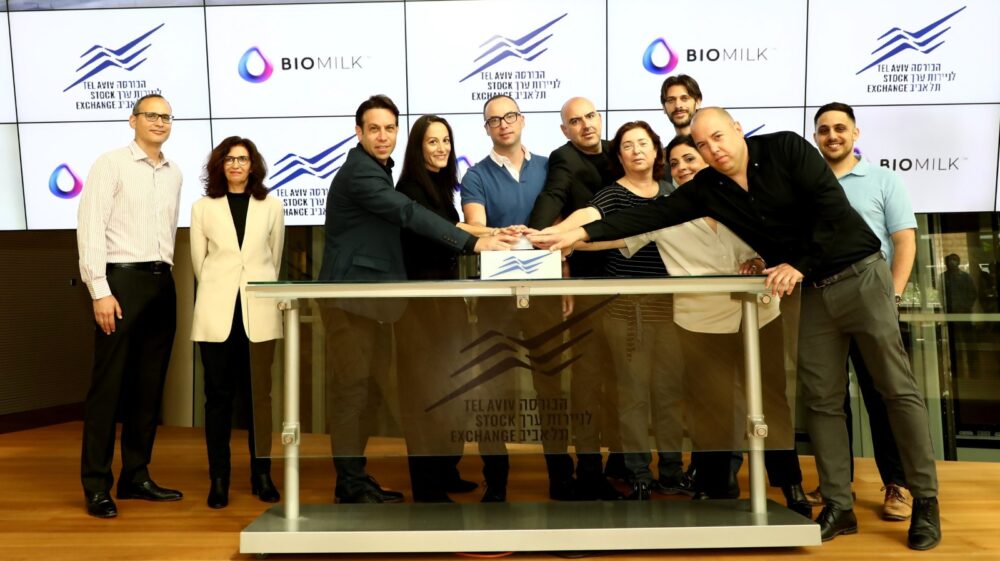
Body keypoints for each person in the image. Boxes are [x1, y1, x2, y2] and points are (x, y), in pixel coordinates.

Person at [529, 107, 942, 551]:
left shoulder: (785, 148)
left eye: (719, 138)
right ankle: (839, 506)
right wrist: (574, 237)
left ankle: (925, 500)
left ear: (739, 130)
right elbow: (647, 217)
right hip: (812, 295)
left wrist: (797, 263)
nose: (714, 150)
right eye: (703, 145)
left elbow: (831, 211)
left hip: (859, 275)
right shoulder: (710, 188)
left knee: (895, 389)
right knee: (821, 400)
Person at [577, 135, 810, 514]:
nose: (683, 167)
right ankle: (714, 487)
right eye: (676, 163)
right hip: (702, 326)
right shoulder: (665, 211)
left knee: (772, 403)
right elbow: (606, 235)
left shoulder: (745, 196)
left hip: (761, 317)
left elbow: (783, 244)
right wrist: (561, 239)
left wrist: (760, 259)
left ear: (706, 161)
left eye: (691, 158)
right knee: (710, 407)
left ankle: (790, 486)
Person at [318, 95, 513, 504]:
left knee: (365, 394)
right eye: (374, 129)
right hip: (348, 299)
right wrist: (470, 244)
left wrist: (485, 234)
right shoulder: (362, 173)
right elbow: (408, 214)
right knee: (352, 393)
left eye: (390, 128)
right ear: (358, 133)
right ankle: (349, 484)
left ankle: (355, 478)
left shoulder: (379, 170)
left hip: (372, 303)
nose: (383, 136)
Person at [461, 94, 589, 502]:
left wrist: (566, 273)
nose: (503, 124)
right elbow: (476, 227)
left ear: (522, 120)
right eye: (494, 120)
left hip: (545, 293)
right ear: (486, 129)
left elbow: (564, 226)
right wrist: (499, 234)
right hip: (497, 296)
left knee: (551, 386)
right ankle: (496, 482)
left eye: (510, 116)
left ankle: (561, 478)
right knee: (494, 389)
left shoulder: (550, 168)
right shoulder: (475, 175)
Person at [547, 121, 683, 500]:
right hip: (626, 310)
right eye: (628, 145)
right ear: (619, 156)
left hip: (671, 306)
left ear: (657, 151)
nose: (637, 150)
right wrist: (557, 237)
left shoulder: (673, 194)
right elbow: (587, 220)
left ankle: (672, 471)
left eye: (644, 143)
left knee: (670, 393)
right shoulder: (611, 195)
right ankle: (639, 472)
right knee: (634, 393)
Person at [525, 97, 647, 498]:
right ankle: (589, 470)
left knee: (625, 383)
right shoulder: (564, 160)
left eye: (590, 117)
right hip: (589, 288)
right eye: (575, 122)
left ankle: (623, 466)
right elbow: (553, 198)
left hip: (630, 287)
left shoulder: (621, 151)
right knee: (589, 382)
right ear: (565, 130)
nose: (585, 126)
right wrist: (535, 235)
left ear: (600, 119)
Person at [76, 94, 184, 518]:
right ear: (132, 119)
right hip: (120, 282)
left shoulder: (173, 173)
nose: (159, 122)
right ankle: (97, 485)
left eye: (166, 117)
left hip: (162, 282)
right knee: (108, 388)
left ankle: (136, 475)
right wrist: (99, 290)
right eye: (151, 115)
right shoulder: (111, 164)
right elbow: (90, 228)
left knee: (148, 385)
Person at [813, 102, 916, 521]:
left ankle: (898, 484)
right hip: (824, 309)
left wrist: (890, 296)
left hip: (873, 303)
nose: (832, 136)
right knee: (830, 399)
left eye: (840, 128)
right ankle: (838, 485)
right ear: (815, 138)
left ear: (856, 134)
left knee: (884, 396)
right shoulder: (810, 184)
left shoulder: (883, 179)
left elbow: (904, 240)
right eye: (823, 130)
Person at [395, 115, 494, 502]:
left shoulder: (439, 186)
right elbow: (447, 232)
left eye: (446, 141)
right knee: (426, 397)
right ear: (418, 148)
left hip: (445, 305)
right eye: (432, 141)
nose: (441, 148)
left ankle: (445, 470)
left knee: (451, 390)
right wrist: (496, 232)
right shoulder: (409, 189)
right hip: (420, 310)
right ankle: (428, 488)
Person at [190, 136, 284, 509]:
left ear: (253, 165)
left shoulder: (271, 206)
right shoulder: (202, 208)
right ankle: (219, 479)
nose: (236, 165)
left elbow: (272, 258)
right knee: (218, 400)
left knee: (260, 399)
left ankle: (262, 474)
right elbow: (200, 263)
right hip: (216, 314)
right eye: (229, 159)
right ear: (219, 165)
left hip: (258, 312)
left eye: (242, 159)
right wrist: (223, 288)